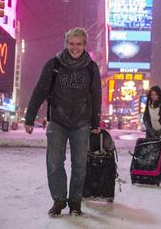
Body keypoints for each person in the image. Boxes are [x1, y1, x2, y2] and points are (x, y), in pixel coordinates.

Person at [24, 27, 102, 217]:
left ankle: (75, 202)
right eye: (71, 43)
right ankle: (59, 199)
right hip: (57, 122)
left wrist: (95, 123)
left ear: (85, 45)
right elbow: (39, 91)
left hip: (82, 123)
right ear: (66, 43)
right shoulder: (54, 64)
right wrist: (30, 117)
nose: (75, 48)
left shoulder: (91, 68)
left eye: (79, 44)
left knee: (80, 164)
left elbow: (96, 96)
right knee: (54, 162)